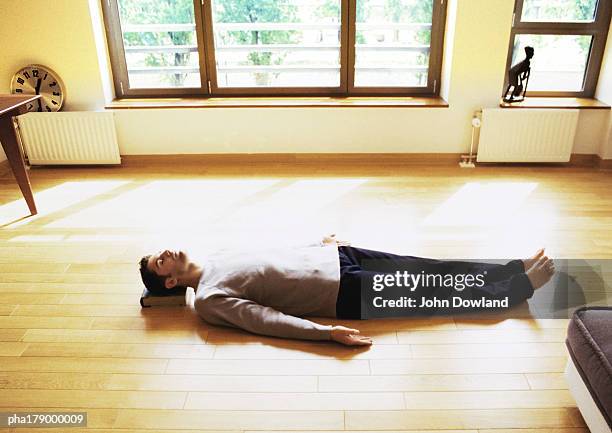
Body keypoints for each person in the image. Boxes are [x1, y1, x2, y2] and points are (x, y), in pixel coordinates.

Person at [138, 235, 555, 346]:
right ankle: (518, 289)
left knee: (431, 267)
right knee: (434, 291)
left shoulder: (219, 254)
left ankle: (506, 270)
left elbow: (275, 253)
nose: (168, 252)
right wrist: (325, 333)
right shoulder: (209, 300)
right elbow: (264, 321)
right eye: (161, 261)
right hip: (343, 293)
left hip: (341, 257)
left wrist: (318, 245)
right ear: (170, 282)